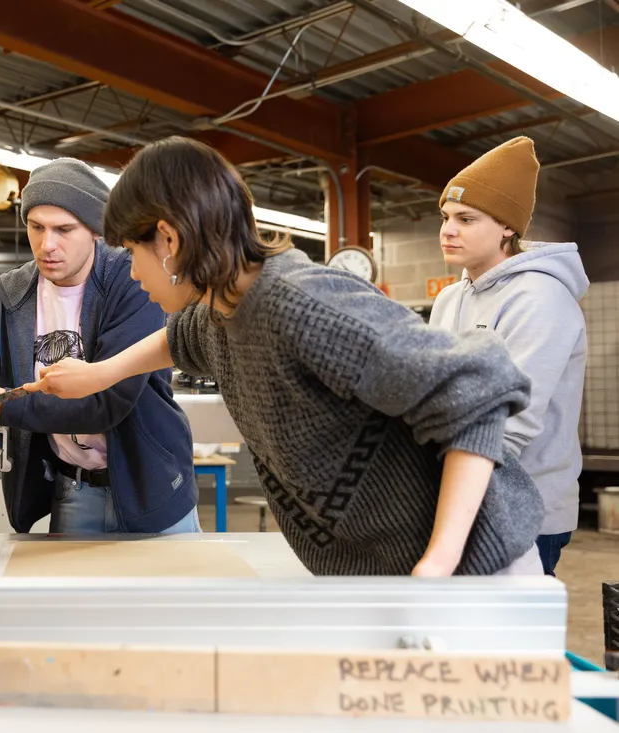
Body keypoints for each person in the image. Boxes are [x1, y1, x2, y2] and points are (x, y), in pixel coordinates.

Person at [27, 136, 545, 576]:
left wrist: (438, 564)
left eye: (133, 254)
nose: (133, 274)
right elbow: (182, 338)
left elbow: (475, 388)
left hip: (471, 569)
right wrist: (98, 374)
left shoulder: (299, 304)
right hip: (383, 574)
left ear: (169, 239)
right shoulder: (225, 310)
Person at [0, 158, 198, 535]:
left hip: (151, 491)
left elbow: (104, 403)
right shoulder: (9, 297)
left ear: (96, 231)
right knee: (69, 597)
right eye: (37, 227)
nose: (47, 245)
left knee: (165, 596)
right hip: (73, 491)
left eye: (64, 229)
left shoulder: (133, 283)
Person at [430, 137, 588, 576]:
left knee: (507, 637)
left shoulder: (541, 298)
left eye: (466, 218)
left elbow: (511, 422)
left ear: (506, 227)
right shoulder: (448, 300)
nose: (447, 229)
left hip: (524, 504)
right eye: (445, 217)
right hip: (456, 494)